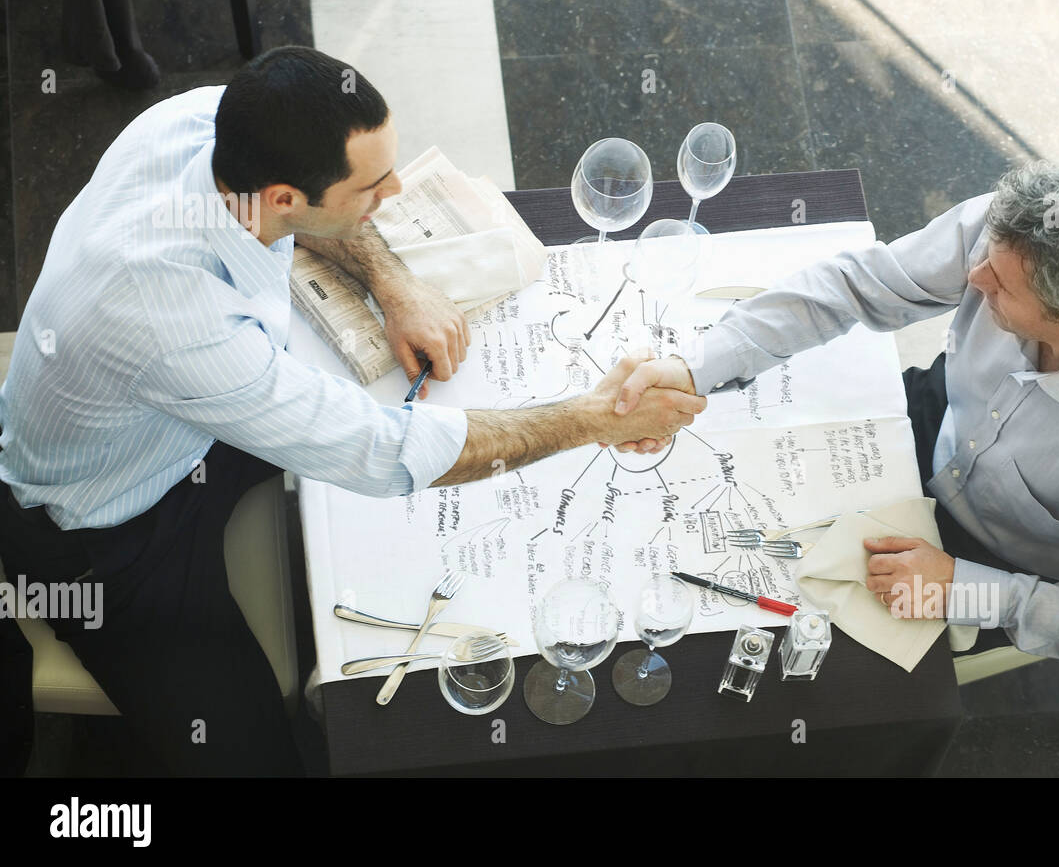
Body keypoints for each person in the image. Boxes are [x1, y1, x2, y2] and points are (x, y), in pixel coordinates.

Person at [0, 46, 705, 775]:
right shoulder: (176, 321)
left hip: (174, 419)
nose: (395, 191)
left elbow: (309, 208)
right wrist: (594, 420)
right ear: (281, 196)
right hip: (103, 532)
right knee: (255, 761)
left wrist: (393, 285)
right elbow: (389, 451)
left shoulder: (210, 123)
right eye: (373, 184)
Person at [615, 160, 1059, 671]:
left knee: (802, 659)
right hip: (941, 423)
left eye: (999, 289)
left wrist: (965, 589)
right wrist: (698, 367)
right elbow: (860, 285)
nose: (973, 276)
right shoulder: (1018, 231)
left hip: (994, 558)